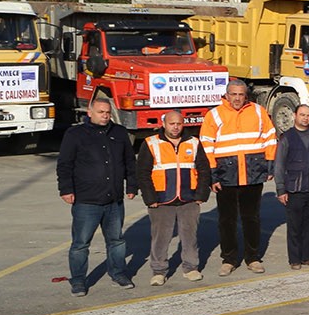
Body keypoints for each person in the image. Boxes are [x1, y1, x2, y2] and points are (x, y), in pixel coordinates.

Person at [57, 96, 138, 295]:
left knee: (116, 241)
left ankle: (118, 273)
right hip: (86, 201)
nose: (105, 116)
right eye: (101, 112)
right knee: (81, 244)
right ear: (90, 113)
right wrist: (66, 189)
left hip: (114, 200)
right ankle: (78, 281)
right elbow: (65, 164)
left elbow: (129, 161)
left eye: (108, 112)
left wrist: (132, 186)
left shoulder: (118, 133)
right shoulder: (75, 134)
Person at [200, 79, 277, 275]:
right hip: (226, 175)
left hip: (252, 174)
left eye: (241, 94)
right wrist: (212, 175)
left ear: (246, 95)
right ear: (226, 95)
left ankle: (252, 258)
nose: (237, 98)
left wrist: (269, 164)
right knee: (227, 220)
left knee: (252, 218)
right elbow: (206, 146)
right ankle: (229, 259)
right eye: (233, 94)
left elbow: (270, 137)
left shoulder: (258, 111)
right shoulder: (214, 115)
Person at [138, 108, 211, 284]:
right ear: (164, 124)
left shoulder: (194, 142)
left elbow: (204, 170)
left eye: (179, 123)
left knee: (189, 236)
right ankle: (159, 271)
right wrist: (150, 198)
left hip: (189, 198)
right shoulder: (150, 143)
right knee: (160, 237)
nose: (176, 127)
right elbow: (142, 173)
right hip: (161, 200)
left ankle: (191, 268)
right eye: (172, 123)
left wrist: (201, 194)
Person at [274, 102, 309, 269]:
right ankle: (295, 259)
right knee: (295, 227)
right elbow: (279, 165)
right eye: (302, 115)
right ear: (295, 116)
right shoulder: (287, 137)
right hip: (294, 189)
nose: (305, 118)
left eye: (308, 115)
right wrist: (281, 189)